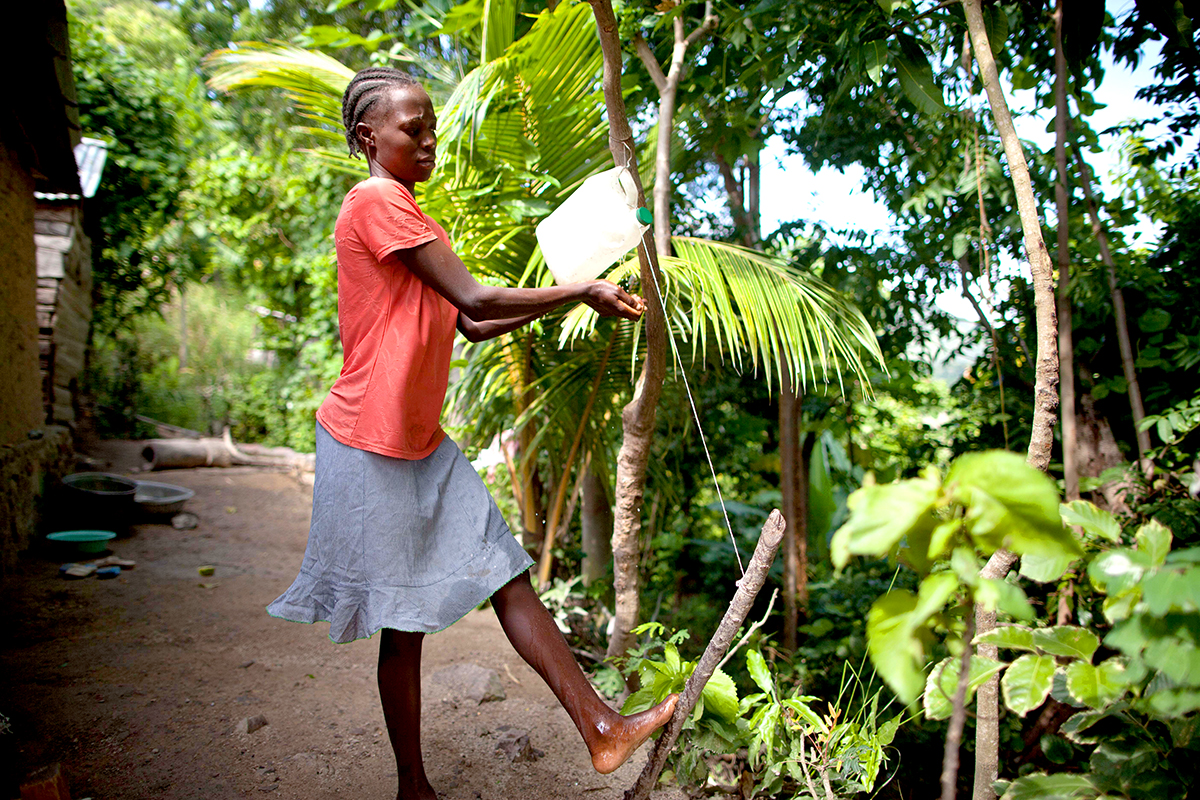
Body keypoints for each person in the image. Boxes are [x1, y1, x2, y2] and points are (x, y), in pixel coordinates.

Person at [267, 66, 678, 800]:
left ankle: (602, 729)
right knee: (403, 623)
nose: (429, 140)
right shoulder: (374, 201)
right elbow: (477, 296)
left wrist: (570, 301)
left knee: (506, 574)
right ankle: (413, 786)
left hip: (420, 440)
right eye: (411, 129)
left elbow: (477, 323)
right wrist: (578, 289)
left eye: (432, 128)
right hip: (370, 443)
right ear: (367, 137)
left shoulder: (413, 216)